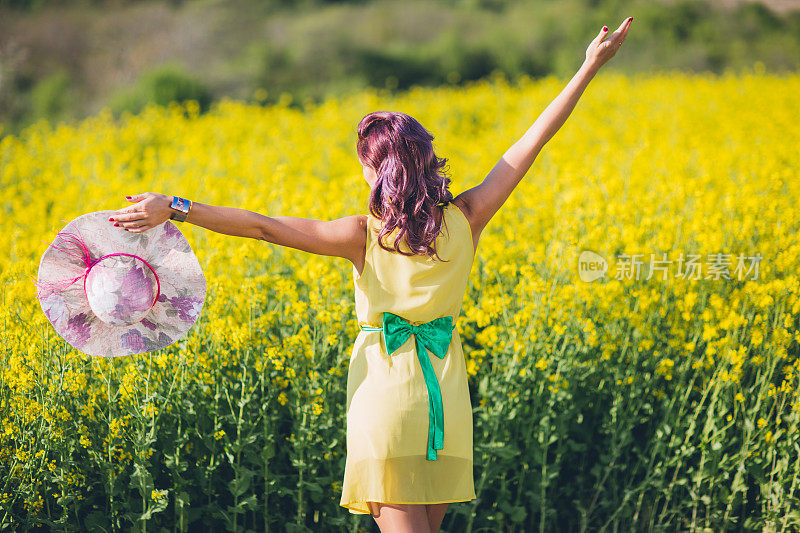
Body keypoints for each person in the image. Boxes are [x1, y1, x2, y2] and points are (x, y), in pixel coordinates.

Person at [108, 16, 632, 533]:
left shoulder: (362, 234)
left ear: (375, 170)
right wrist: (587, 68)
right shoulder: (468, 218)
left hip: (387, 403)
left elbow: (264, 228)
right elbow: (529, 145)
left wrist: (175, 206)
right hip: (445, 405)